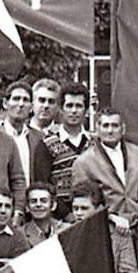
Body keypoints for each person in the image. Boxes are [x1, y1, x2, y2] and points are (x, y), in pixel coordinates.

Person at [71, 108, 138, 216]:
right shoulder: (84, 162)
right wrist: (111, 217)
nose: (110, 131)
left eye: (115, 126)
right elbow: (82, 201)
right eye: (106, 126)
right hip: (108, 224)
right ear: (97, 129)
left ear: (123, 129)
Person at [36, 82, 93, 215]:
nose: (73, 111)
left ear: (87, 110)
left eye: (79, 106)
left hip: (92, 214)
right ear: (61, 109)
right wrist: (66, 215)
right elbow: (43, 185)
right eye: (69, 106)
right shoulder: (46, 144)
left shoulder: (95, 144)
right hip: (59, 217)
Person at [0, 79, 47, 186]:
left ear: (31, 107)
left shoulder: (39, 139)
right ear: (5, 103)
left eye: (25, 100)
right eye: (16, 99)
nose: (21, 104)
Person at [21, 182, 64, 248]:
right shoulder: (21, 234)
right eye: (33, 201)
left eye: (43, 201)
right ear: (27, 207)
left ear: (53, 205)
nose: (38, 204)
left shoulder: (65, 230)